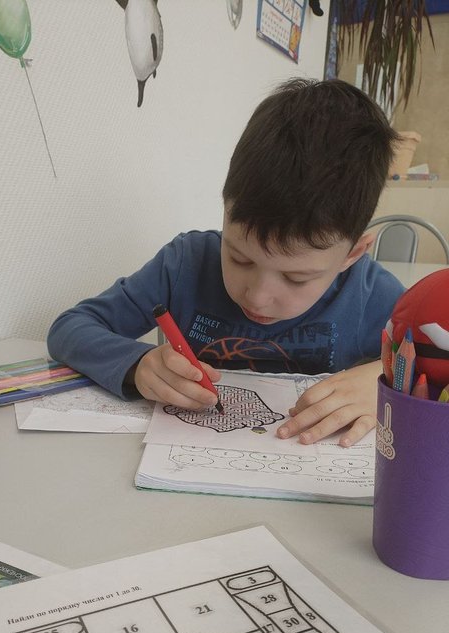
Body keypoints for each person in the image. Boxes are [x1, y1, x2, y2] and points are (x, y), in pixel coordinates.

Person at [48, 78, 405, 447]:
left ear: (352, 254)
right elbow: (70, 328)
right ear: (225, 213)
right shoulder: (186, 265)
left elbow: (433, 360)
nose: (257, 296)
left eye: (296, 278)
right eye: (239, 257)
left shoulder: (369, 294)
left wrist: (386, 383)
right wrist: (138, 365)